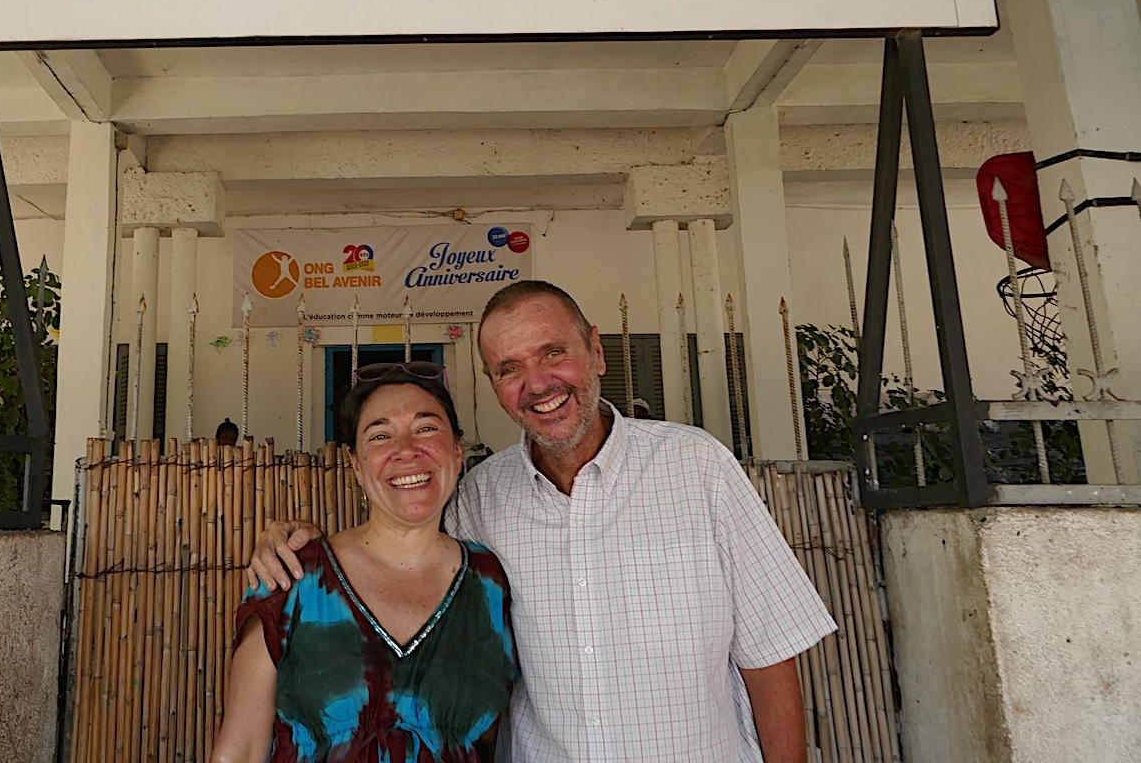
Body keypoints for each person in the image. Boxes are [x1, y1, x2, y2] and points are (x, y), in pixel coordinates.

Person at [249, 281, 835, 763]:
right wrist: (296, 542)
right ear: (497, 390)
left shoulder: (697, 466)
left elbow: (769, 654)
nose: (538, 383)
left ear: (596, 351)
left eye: (553, 353)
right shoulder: (479, 498)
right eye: (510, 368)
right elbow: (398, 544)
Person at [215, 363, 518, 763]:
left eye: (426, 428)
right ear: (356, 465)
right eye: (380, 435)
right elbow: (241, 750)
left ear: (458, 450)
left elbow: (487, 739)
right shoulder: (293, 576)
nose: (406, 449)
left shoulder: (489, 579)